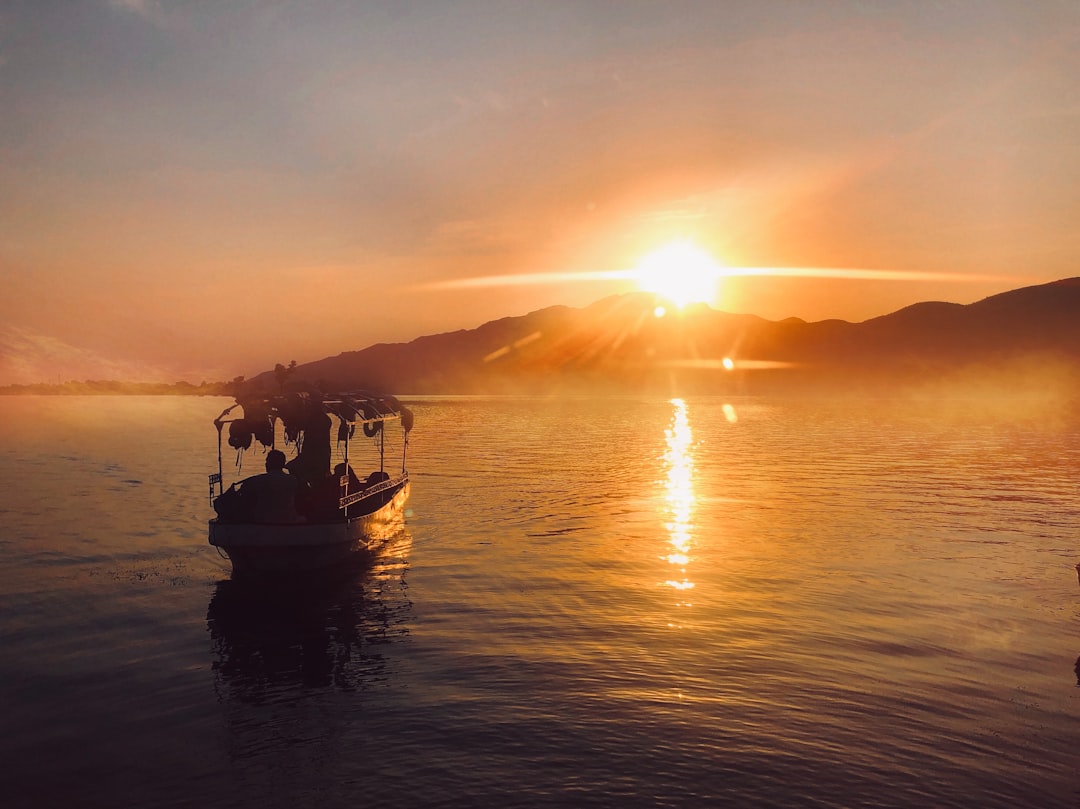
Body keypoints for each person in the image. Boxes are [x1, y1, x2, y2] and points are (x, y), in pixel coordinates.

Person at [240, 449, 304, 523]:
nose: (265, 464)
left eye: (267, 461)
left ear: (268, 464)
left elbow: (243, 489)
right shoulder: (293, 480)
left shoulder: (257, 480)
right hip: (288, 520)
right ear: (283, 464)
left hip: (263, 520)